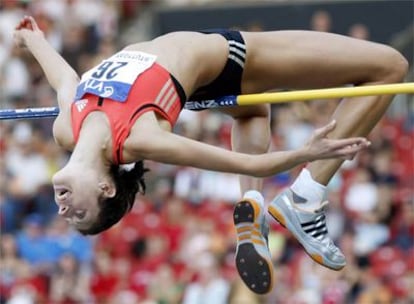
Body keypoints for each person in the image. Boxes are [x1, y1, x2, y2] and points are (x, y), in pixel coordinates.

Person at [13, 16, 408, 294]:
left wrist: (33, 40)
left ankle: (251, 200)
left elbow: (65, 79)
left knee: (254, 111)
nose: (63, 212)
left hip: (196, 77)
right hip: (229, 56)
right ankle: (306, 197)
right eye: (80, 214)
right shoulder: (139, 137)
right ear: (106, 187)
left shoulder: (67, 127)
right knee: (390, 66)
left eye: (68, 216)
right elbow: (249, 162)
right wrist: (306, 152)